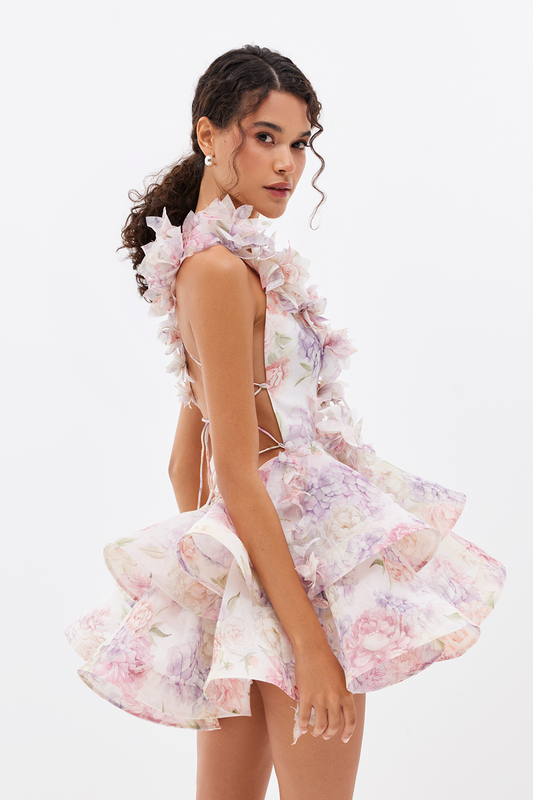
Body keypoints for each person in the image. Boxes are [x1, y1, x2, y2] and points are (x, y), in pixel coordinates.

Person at [65, 45, 506, 800]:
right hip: (296, 569)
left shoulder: (211, 265)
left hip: (266, 565)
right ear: (208, 134)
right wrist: (304, 639)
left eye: (299, 144)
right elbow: (234, 469)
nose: (287, 164)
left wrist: (232, 592)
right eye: (264, 136)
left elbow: (186, 462)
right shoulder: (217, 271)